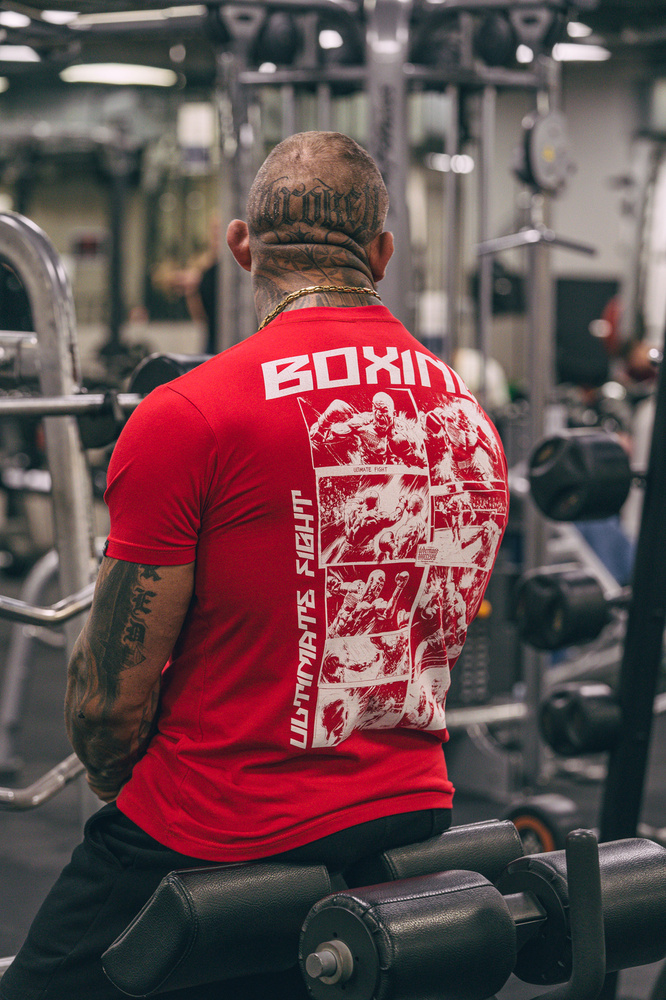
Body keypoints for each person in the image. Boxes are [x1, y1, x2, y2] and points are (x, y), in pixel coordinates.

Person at [0, 131, 509, 1000]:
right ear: (382, 253)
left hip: (217, 828)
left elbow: (107, 704)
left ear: (241, 246)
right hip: (409, 823)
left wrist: (126, 787)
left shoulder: (190, 414)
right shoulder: (469, 417)